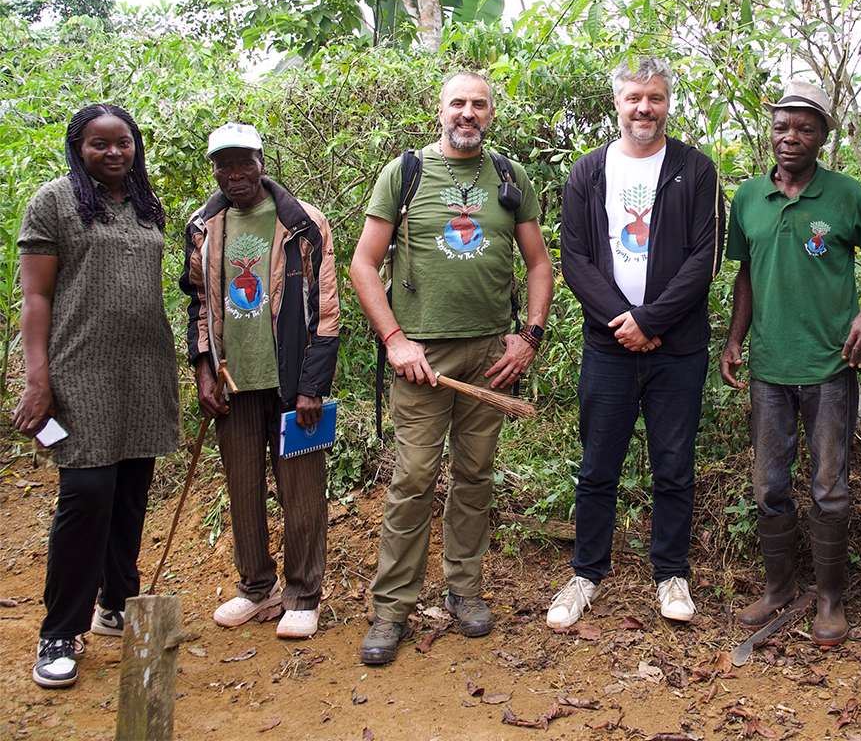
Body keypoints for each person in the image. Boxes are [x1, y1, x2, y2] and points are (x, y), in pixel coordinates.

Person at [349, 70, 553, 665]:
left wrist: (528, 339)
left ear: (491, 114)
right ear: (440, 110)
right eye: (458, 103)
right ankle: (390, 609)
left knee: (474, 476)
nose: (469, 114)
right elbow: (364, 264)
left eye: (479, 105)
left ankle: (464, 591)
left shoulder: (510, 178)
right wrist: (394, 340)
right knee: (413, 479)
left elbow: (538, 264)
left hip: (491, 354)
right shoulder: (405, 174)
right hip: (422, 358)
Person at [720, 80, 861, 645]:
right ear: (769, 131)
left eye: (805, 127)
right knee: (768, 485)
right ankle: (779, 589)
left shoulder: (846, 196)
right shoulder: (749, 198)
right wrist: (735, 339)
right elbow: (747, 274)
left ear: (824, 135)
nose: (791, 137)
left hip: (829, 365)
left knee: (829, 488)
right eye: (782, 126)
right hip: (770, 368)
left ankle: (829, 598)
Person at [546, 59, 724, 629]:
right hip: (607, 346)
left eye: (655, 97)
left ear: (668, 103)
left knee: (673, 464)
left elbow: (705, 258)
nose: (644, 108)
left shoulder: (695, 170)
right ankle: (585, 574)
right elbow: (574, 257)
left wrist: (651, 321)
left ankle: (671, 574)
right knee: (599, 463)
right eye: (634, 98)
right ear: (617, 102)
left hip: (677, 347)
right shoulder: (589, 172)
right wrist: (622, 321)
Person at [12, 104, 179, 689]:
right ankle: (60, 630)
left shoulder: (144, 205)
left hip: (145, 368)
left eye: (124, 143)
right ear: (77, 148)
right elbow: (36, 298)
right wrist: (38, 379)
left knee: (132, 494)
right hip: (80, 371)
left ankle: (117, 599)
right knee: (87, 495)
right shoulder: (54, 202)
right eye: (99, 144)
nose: (113, 153)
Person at [180, 123, 340, 640]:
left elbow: (325, 311)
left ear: (261, 162)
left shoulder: (303, 223)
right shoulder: (205, 225)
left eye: (242, 162)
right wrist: (203, 368)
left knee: (302, 491)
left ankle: (302, 593)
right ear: (215, 170)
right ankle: (256, 587)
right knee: (242, 487)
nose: (233, 174)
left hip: (293, 382)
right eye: (223, 165)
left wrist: (312, 384)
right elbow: (199, 303)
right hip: (234, 381)